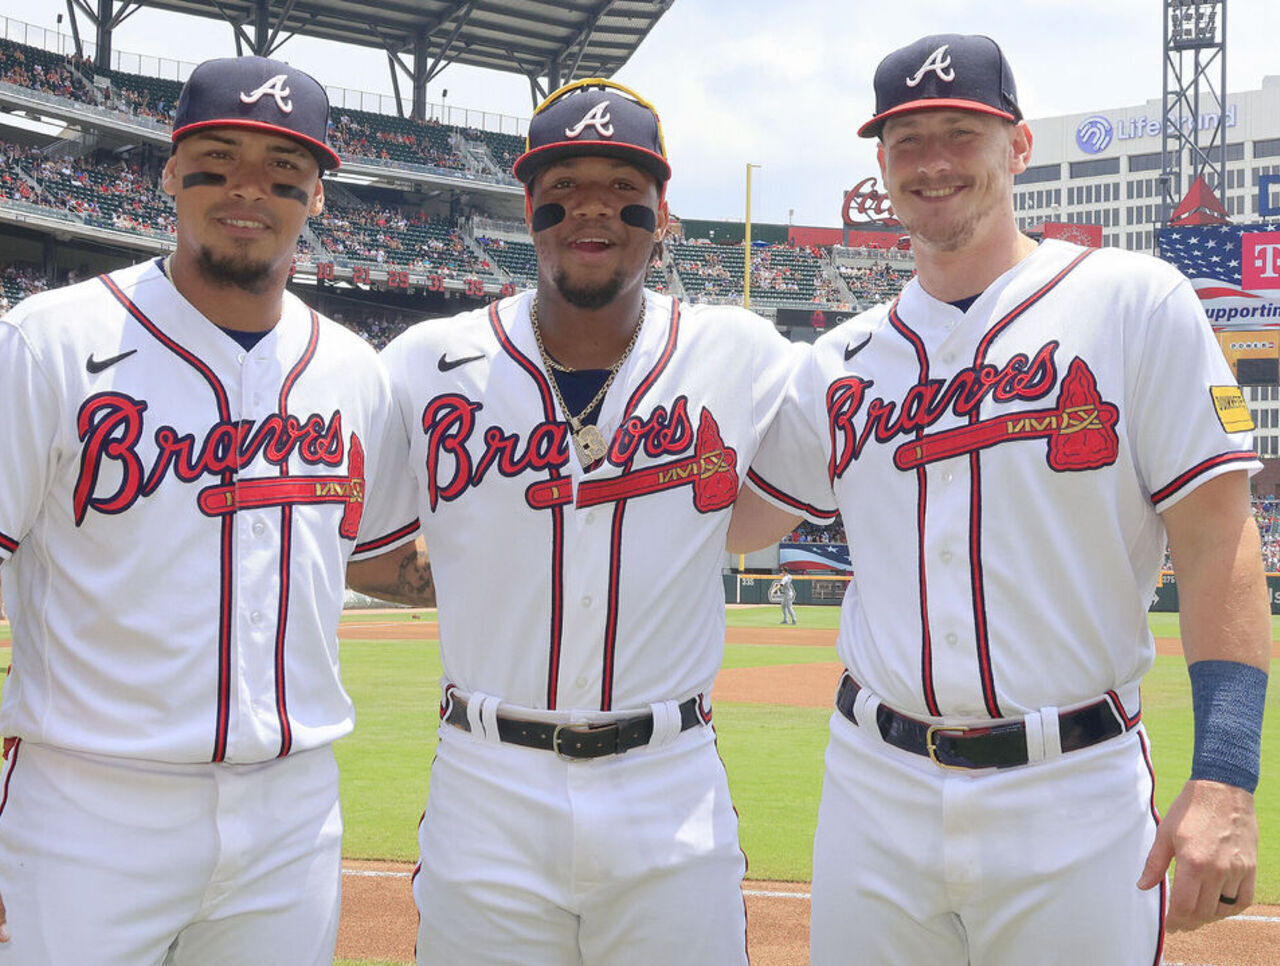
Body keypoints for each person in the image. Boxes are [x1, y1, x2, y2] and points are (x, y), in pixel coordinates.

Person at [729, 33, 1270, 965]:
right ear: (882, 165)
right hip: (875, 789)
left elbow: (1220, 539)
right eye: (906, 141)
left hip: (1073, 788)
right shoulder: (841, 361)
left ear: (1017, 147)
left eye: (960, 133)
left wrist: (1226, 779)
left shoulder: (1132, 302)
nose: (933, 162)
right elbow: (732, 521)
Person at [351, 78, 797, 965]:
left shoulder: (741, 354)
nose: (590, 209)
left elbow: (786, 505)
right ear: (529, 208)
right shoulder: (425, 363)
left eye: (621, 189)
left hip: (666, 778)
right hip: (487, 780)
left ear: (662, 212)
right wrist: (490, 574)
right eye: (564, 186)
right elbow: (358, 546)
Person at [0, 56, 424, 965]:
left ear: (316, 195)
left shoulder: (352, 368)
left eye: (283, 170)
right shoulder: (51, 340)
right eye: (218, 158)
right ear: (168, 171)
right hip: (91, 804)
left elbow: (383, 557)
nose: (248, 188)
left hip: (291, 811)